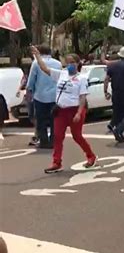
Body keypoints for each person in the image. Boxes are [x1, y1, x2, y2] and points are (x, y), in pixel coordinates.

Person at [30, 46, 97, 174]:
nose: (70, 65)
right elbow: (44, 68)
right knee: (57, 136)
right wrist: (37, 56)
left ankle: (91, 156)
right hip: (60, 111)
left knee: (77, 136)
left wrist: (78, 113)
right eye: (68, 62)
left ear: (78, 64)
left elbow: (82, 97)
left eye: (72, 62)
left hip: (75, 110)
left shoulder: (82, 78)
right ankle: (56, 162)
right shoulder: (62, 74)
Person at [26, 44, 62, 149]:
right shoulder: (58, 63)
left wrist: (29, 92)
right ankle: (53, 141)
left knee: (41, 120)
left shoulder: (36, 63)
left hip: (40, 96)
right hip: (55, 96)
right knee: (54, 120)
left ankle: (44, 141)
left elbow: (31, 80)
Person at [104, 46, 124, 143]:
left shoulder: (112, 65)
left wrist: (105, 91)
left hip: (115, 93)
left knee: (118, 113)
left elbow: (106, 79)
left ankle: (119, 134)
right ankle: (118, 130)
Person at [16, 68, 38, 146]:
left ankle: (37, 135)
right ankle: (38, 134)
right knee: (31, 116)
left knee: (36, 117)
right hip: (29, 97)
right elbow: (23, 83)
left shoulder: (39, 74)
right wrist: (19, 90)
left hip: (37, 97)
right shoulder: (27, 75)